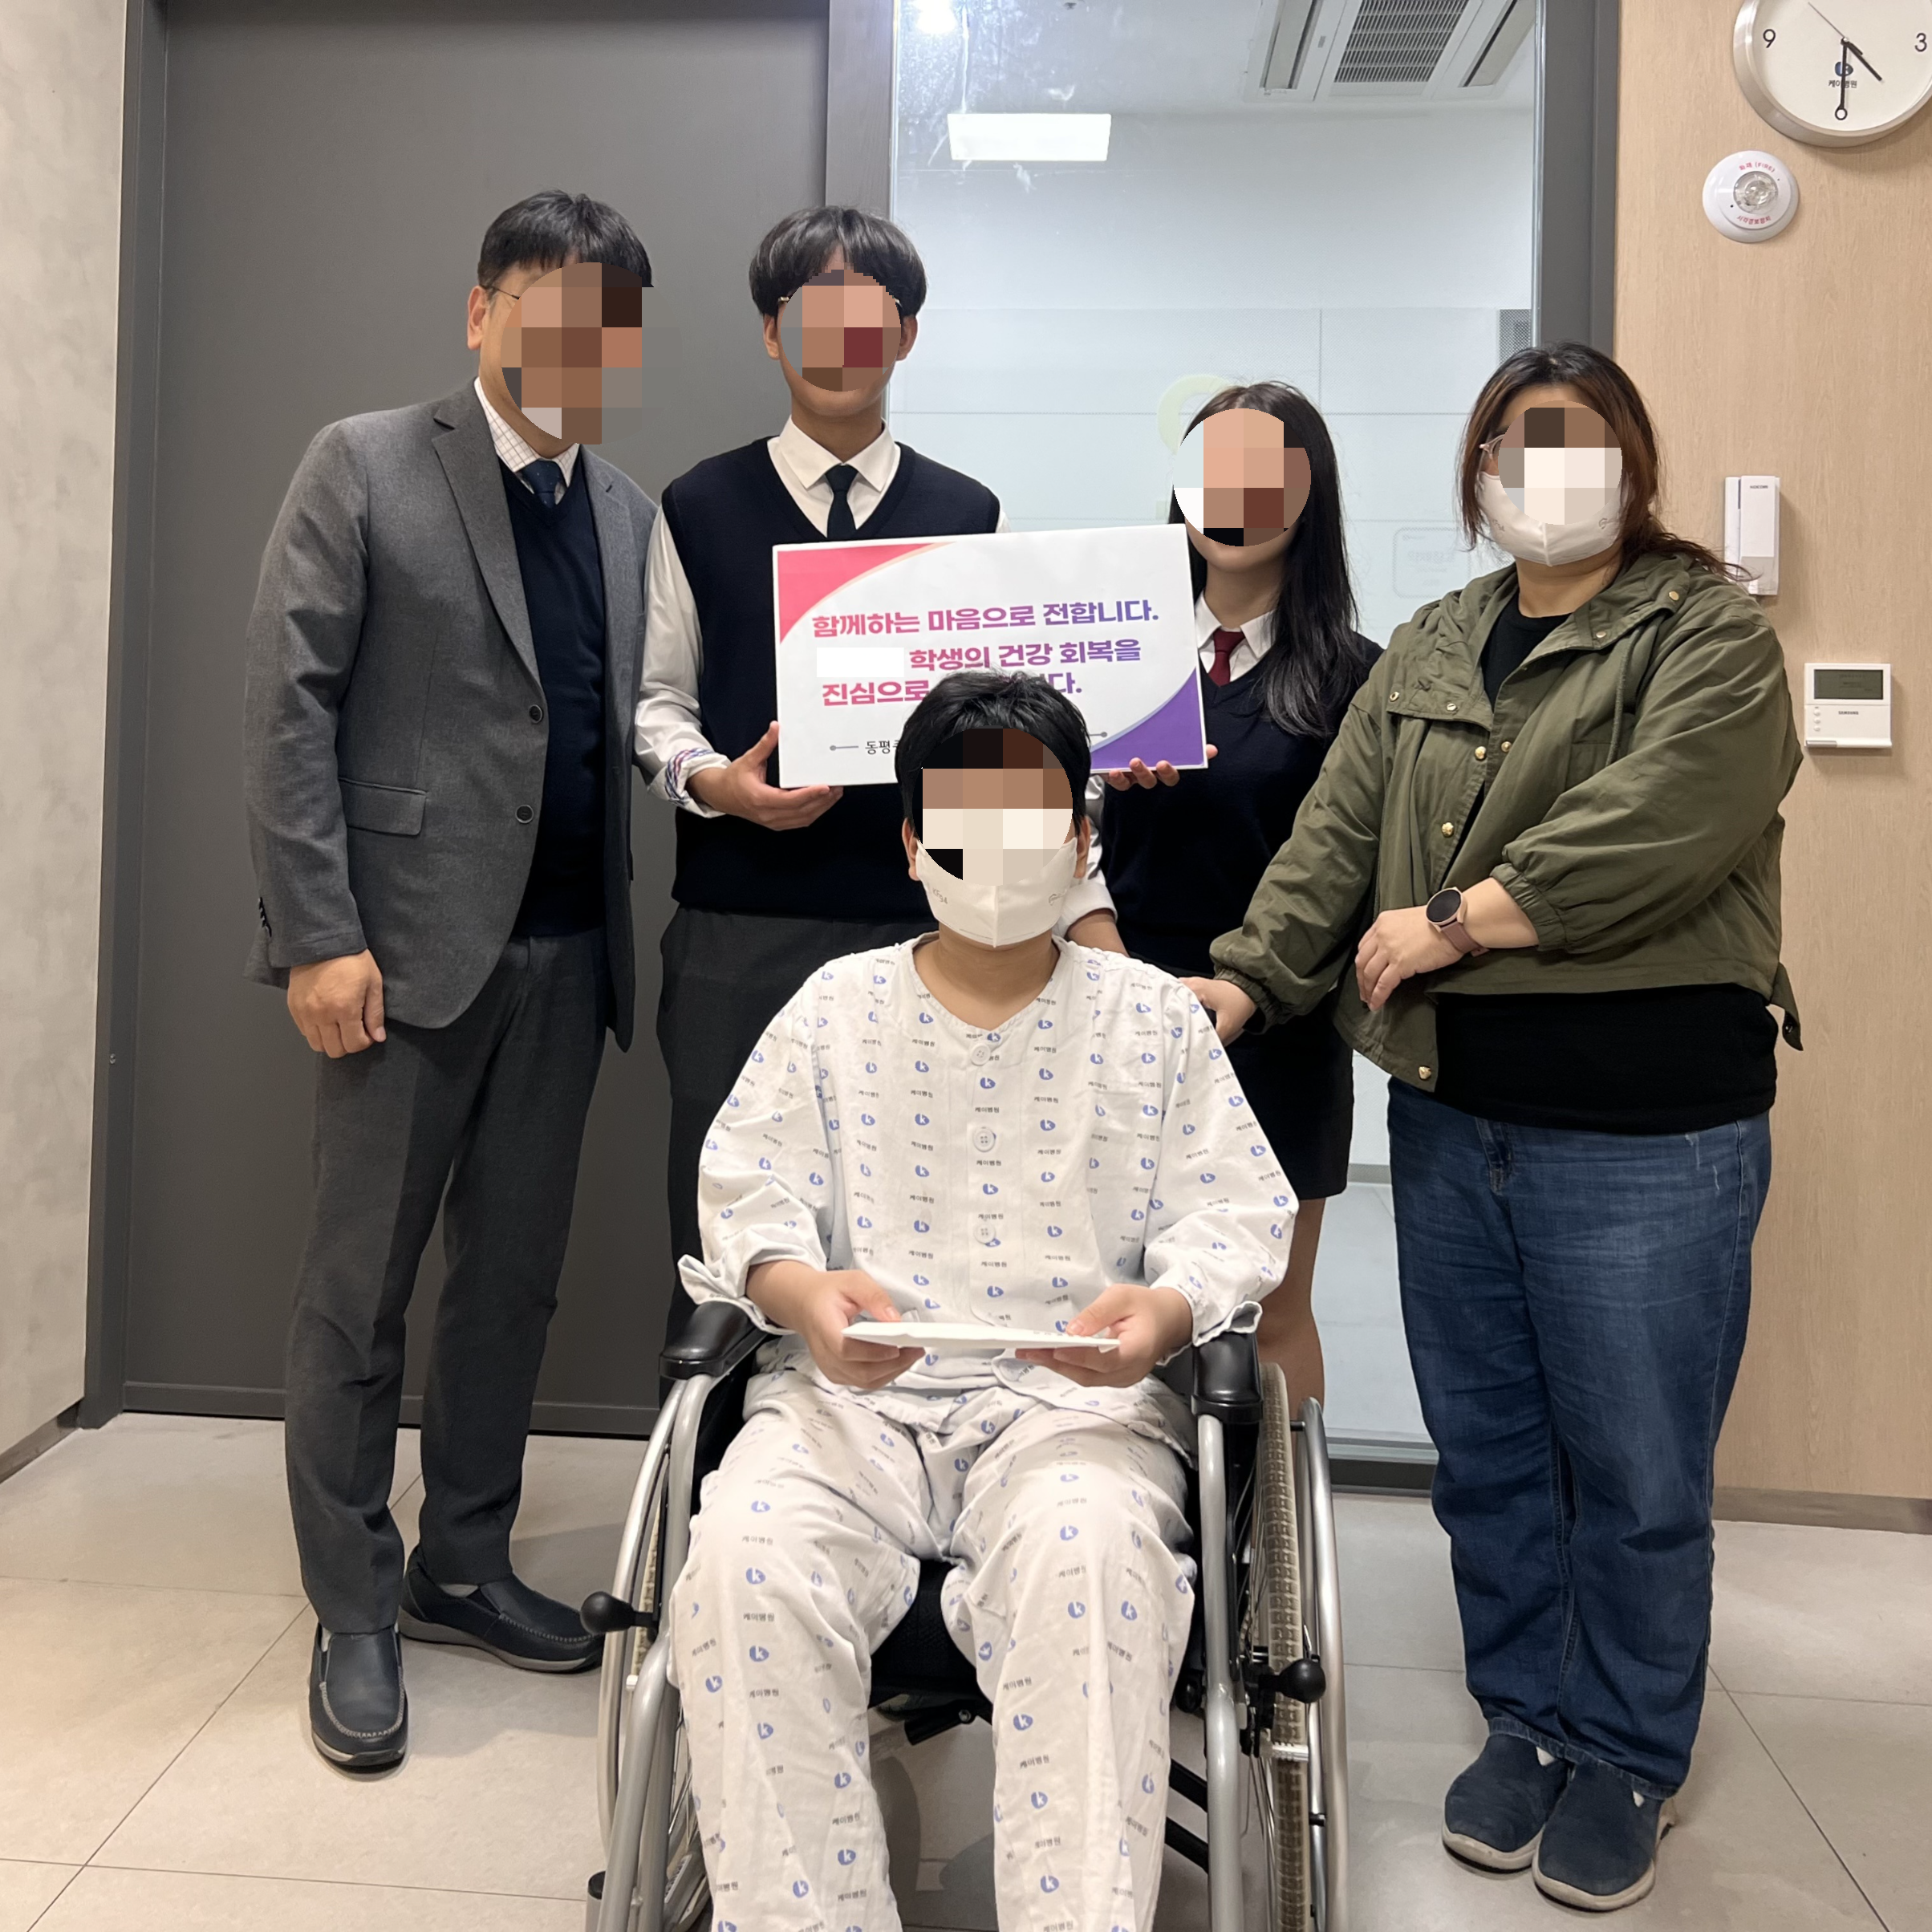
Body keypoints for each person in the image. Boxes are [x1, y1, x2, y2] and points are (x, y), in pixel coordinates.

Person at [1192, 343, 1800, 1912]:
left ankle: (1628, 1750)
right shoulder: (1439, 640)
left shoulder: (1706, 631)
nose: (1541, 475)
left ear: (1633, 463)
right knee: (1490, 1453)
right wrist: (1248, 978)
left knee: (1637, 1467)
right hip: (1456, 1110)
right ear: (1475, 479)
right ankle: (1524, 1716)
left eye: (1574, 443)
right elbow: (1336, 832)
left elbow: (1665, 814)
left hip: (1647, 1121)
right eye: (1510, 450)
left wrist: (1459, 916)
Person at [668, 672, 1288, 1932]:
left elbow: (1237, 1212)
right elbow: (747, 1194)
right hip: (847, 1409)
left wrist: (1166, 1316)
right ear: (911, 843)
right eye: (962, 820)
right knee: (741, 1560)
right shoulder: (835, 1010)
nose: (998, 851)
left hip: (1076, 1414)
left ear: (1082, 837)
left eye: (1031, 817)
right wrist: (802, 1292)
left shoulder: (1154, 1021)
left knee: (1090, 1561)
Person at [244, 190, 660, 1771]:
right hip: (397, 958)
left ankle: (462, 1561)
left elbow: (632, 716)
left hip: (569, 953)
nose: (575, 344)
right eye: (549, 309)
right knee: (357, 1294)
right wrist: (315, 932)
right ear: (483, 311)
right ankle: (353, 1602)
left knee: (511, 1284)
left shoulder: (622, 512)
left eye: (604, 324)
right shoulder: (363, 462)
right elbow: (288, 707)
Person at [635, 206, 1122, 1356]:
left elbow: (1003, 723)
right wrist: (715, 783)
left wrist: (1097, 770)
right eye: (813, 313)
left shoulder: (969, 515)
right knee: (727, 1231)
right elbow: (658, 701)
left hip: (929, 927)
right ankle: (710, 1464)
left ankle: (902, 1448)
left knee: (920, 1223)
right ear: (772, 333)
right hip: (737, 928)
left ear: (905, 336)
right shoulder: (696, 505)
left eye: (869, 316)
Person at [1100, 383, 1377, 1408]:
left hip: (1277, 1032)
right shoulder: (1112, 654)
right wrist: (1090, 780)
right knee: (1113, 1292)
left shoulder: (1356, 680)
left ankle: (1274, 1516)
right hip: (1113, 1010)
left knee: (1267, 1308)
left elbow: (1350, 870)